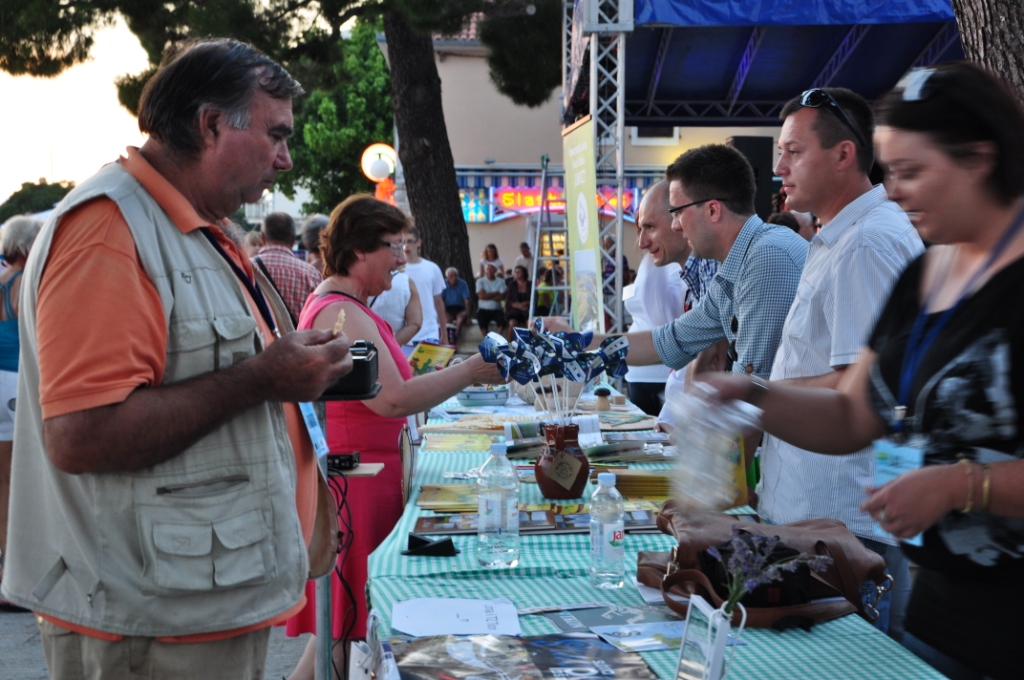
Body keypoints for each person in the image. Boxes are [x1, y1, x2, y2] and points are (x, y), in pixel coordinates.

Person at [0, 39, 353, 678]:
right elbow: (82, 435)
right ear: (210, 124)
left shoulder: (193, 228)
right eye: (275, 134)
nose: (286, 158)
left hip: (193, 606)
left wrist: (287, 373)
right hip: (149, 626)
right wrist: (263, 378)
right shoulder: (109, 231)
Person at [706, 63, 1024, 680]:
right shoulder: (927, 274)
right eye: (891, 171)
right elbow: (855, 410)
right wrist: (748, 393)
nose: (894, 191)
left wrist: (960, 486)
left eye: (912, 172)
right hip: (942, 619)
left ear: (979, 161)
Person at [285, 195, 504, 679]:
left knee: (340, 632)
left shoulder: (346, 307)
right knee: (345, 630)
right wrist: (470, 370)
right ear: (359, 250)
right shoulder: (341, 312)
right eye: (394, 246)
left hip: (363, 477)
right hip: (358, 484)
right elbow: (393, 400)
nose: (403, 259)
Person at [763, 86, 925, 640]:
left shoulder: (865, 243)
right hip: (823, 517)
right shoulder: (840, 237)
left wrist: (755, 396)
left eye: (793, 151)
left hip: (845, 525)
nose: (779, 168)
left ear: (843, 155)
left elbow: (863, 385)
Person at [548, 144, 807, 384]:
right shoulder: (741, 262)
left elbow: (752, 389)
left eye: (678, 212)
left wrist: (692, 414)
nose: (675, 225)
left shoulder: (765, 258)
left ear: (713, 210)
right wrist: (578, 340)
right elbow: (671, 341)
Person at [623, 181, 722, 416]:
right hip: (658, 376)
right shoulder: (686, 268)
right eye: (640, 228)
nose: (642, 242)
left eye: (650, 227)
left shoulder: (711, 266)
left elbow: (685, 342)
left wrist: (585, 344)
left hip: (660, 374)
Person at [0, 215, 41, 613]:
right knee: (25, 479)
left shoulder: (1, 279)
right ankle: (24, 574)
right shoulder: (28, 281)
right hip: (18, 382)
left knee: (3, 482)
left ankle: (7, 574)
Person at [255, 211, 323, 323]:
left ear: (262, 238)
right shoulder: (312, 274)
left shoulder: (246, 268)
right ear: (293, 240)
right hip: (300, 335)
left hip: (261, 335)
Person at [402, 227, 445, 347]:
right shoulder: (395, 270)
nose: (406, 246)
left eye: (410, 241)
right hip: (404, 336)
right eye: (403, 242)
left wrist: (444, 334)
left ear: (418, 242)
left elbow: (438, 302)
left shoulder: (432, 268)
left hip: (429, 333)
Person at [368, 270, 423, 347]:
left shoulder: (358, 278)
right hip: (394, 345)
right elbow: (415, 323)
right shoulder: (406, 282)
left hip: (361, 343)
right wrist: (390, 346)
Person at [441, 266, 471, 344]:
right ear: (447, 277)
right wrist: (443, 313)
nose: (454, 278)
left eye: (455, 276)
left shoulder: (462, 283)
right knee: (447, 319)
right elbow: (440, 300)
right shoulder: (443, 284)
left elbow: (467, 301)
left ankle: (455, 337)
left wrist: (468, 317)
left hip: (460, 308)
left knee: (460, 319)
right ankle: (447, 338)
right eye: (451, 276)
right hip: (448, 308)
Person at [476, 262, 506, 334]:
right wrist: (496, 293)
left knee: (502, 322)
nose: (489, 271)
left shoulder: (501, 281)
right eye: (487, 269)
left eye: (492, 269)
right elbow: (481, 296)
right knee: (482, 323)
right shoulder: (480, 281)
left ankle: (494, 339)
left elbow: (502, 296)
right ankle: (488, 339)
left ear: (495, 270)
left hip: (497, 310)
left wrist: (486, 295)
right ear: (485, 270)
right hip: (483, 310)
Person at [504, 264, 532, 337]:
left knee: (531, 324)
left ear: (524, 273)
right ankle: (510, 343)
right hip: (514, 311)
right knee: (512, 323)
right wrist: (519, 306)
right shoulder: (511, 285)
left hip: (528, 310)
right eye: (515, 272)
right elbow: (508, 301)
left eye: (518, 272)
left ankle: (532, 342)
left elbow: (535, 298)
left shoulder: (530, 285)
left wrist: (526, 303)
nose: (516, 273)